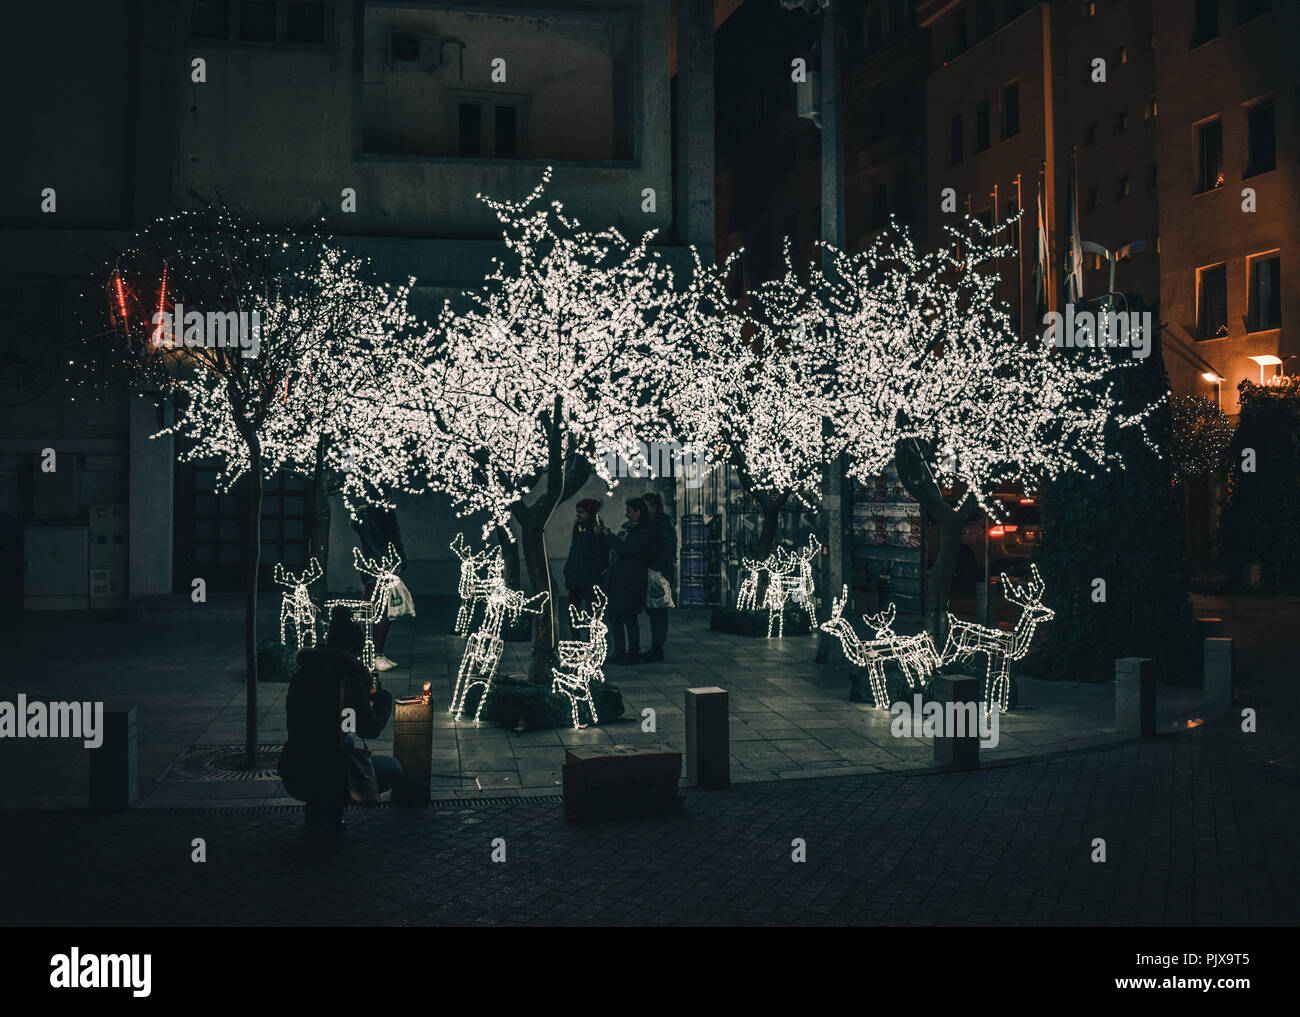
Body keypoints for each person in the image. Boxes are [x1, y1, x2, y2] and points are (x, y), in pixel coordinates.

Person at [278, 606, 402, 836]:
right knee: (392, 769)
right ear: (354, 648)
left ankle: (319, 813)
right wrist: (382, 700)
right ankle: (330, 811)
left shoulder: (303, 675)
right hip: (326, 770)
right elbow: (369, 728)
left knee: (343, 745)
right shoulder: (347, 681)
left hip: (294, 767)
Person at [349, 504, 406, 671]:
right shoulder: (369, 516)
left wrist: (399, 563)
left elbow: (394, 540)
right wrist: (388, 565)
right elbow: (370, 544)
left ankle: (377, 654)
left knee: (384, 613)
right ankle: (375, 655)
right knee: (379, 613)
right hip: (377, 571)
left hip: (384, 570)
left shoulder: (382, 514)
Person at [598, 497, 653, 665]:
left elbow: (627, 550)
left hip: (632, 581)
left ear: (638, 512)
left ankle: (632, 652)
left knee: (629, 617)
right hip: (620, 580)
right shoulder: (629, 531)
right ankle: (620, 650)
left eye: (629, 511)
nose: (627, 514)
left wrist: (610, 537)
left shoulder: (642, 532)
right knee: (615, 615)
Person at [562, 498, 608, 637]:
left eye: (581, 512)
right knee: (572, 611)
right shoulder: (579, 526)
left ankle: (591, 640)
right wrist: (569, 568)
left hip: (589, 578)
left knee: (592, 612)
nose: (578, 515)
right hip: (576, 576)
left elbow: (601, 553)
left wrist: (595, 574)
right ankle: (577, 640)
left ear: (590, 513)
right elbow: (574, 548)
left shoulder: (597, 528)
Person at [641, 491, 676, 662]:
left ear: (654, 507)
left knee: (659, 611)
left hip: (659, 572)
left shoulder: (663, 523)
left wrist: (657, 566)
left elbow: (669, 547)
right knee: (654, 610)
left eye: (646, 506)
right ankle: (656, 646)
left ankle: (657, 646)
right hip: (652, 570)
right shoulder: (650, 523)